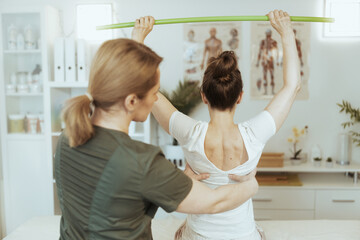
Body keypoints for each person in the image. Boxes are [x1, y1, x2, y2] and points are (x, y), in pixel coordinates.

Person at [54, 16, 259, 240]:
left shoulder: (68, 137)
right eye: (154, 93)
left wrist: (137, 40)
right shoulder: (141, 161)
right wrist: (251, 186)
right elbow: (214, 202)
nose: (155, 101)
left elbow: (110, 199)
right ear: (132, 101)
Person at [150, 10, 301, 240]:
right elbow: (292, 86)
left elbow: (147, 91)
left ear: (203, 96)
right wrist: (286, 31)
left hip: (198, 236)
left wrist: (138, 37)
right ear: (239, 96)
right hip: (244, 236)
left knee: (180, 232)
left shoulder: (190, 132)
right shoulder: (254, 134)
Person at [256, 28, 280, 95]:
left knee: (272, 76)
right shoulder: (263, 42)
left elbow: (277, 52)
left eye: (269, 34)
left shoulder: (273, 42)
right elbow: (260, 52)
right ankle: (266, 91)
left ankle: (272, 91)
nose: (268, 35)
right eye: (267, 34)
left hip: (270, 61)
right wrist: (258, 61)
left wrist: (277, 60)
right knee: (265, 76)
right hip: (264, 61)